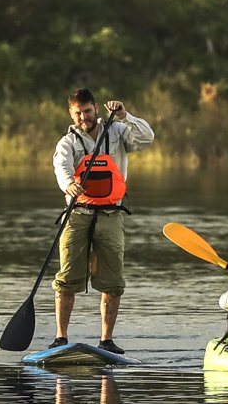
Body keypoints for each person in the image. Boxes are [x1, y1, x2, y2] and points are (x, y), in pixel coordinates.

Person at [50, 88, 156, 350]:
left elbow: (147, 138)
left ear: (96, 109)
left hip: (111, 213)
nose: (83, 117)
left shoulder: (118, 131)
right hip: (77, 214)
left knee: (112, 280)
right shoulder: (67, 142)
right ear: (71, 114)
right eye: (78, 113)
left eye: (87, 111)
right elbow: (61, 167)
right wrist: (68, 185)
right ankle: (61, 337)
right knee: (67, 279)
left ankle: (106, 341)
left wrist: (124, 115)